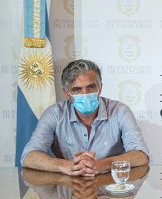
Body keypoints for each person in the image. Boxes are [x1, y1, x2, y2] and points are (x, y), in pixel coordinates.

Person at [21, 59, 150, 176]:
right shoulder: (54, 114)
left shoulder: (120, 111)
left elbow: (141, 155)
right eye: (77, 89)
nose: (85, 94)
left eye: (91, 87)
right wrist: (66, 165)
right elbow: (29, 156)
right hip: (67, 188)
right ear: (67, 93)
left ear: (100, 88)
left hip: (110, 189)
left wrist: (103, 164)